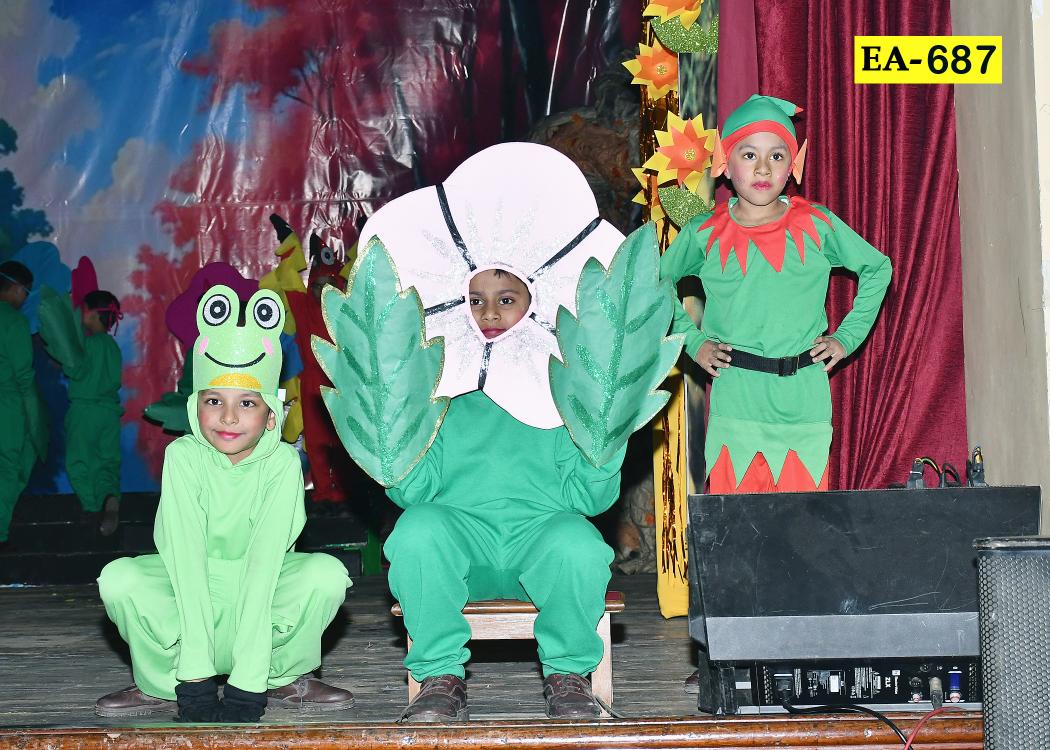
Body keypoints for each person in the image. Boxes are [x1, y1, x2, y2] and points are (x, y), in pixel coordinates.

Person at [95, 285, 354, 722]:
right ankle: (164, 684)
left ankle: (279, 677)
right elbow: (185, 559)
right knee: (120, 579)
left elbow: (264, 566)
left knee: (325, 574)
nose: (229, 417)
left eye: (247, 403)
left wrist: (248, 683)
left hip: (263, 587)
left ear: (270, 416)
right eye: (214, 401)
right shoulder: (183, 456)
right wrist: (194, 681)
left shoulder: (282, 464)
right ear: (195, 408)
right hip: (189, 586)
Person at [384, 266, 625, 722]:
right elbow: (414, 493)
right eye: (475, 300)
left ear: (534, 306)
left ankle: (568, 674)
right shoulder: (441, 395)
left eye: (507, 299)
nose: (490, 312)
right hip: (460, 550)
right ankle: (440, 676)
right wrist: (394, 443)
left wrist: (606, 438)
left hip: (539, 545)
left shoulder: (562, 395)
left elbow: (590, 500)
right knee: (416, 529)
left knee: (579, 543)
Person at [660, 94, 892, 495]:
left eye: (777, 155)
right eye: (749, 154)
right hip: (737, 404)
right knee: (737, 526)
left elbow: (877, 268)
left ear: (793, 165)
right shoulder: (704, 232)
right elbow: (656, 282)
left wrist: (846, 338)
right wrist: (693, 343)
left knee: (801, 527)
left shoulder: (817, 224)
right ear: (725, 161)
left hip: (804, 405)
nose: (763, 168)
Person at [37, 287, 124, 535]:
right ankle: (109, 496)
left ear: (94, 314)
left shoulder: (89, 344)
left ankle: (92, 507)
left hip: (85, 411)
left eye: (83, 311)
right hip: (110, 413)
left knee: (79, 461)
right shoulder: (113, 347)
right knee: (107, 461)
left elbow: (77, 370)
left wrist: (63, 360)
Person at [0, 261, 46, 547]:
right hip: (7, 407)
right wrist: (35, 420)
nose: (25, 298)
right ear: (16, 288)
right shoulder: (14, 322)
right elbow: (23, 376)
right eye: (26, 292)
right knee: (9, 468)